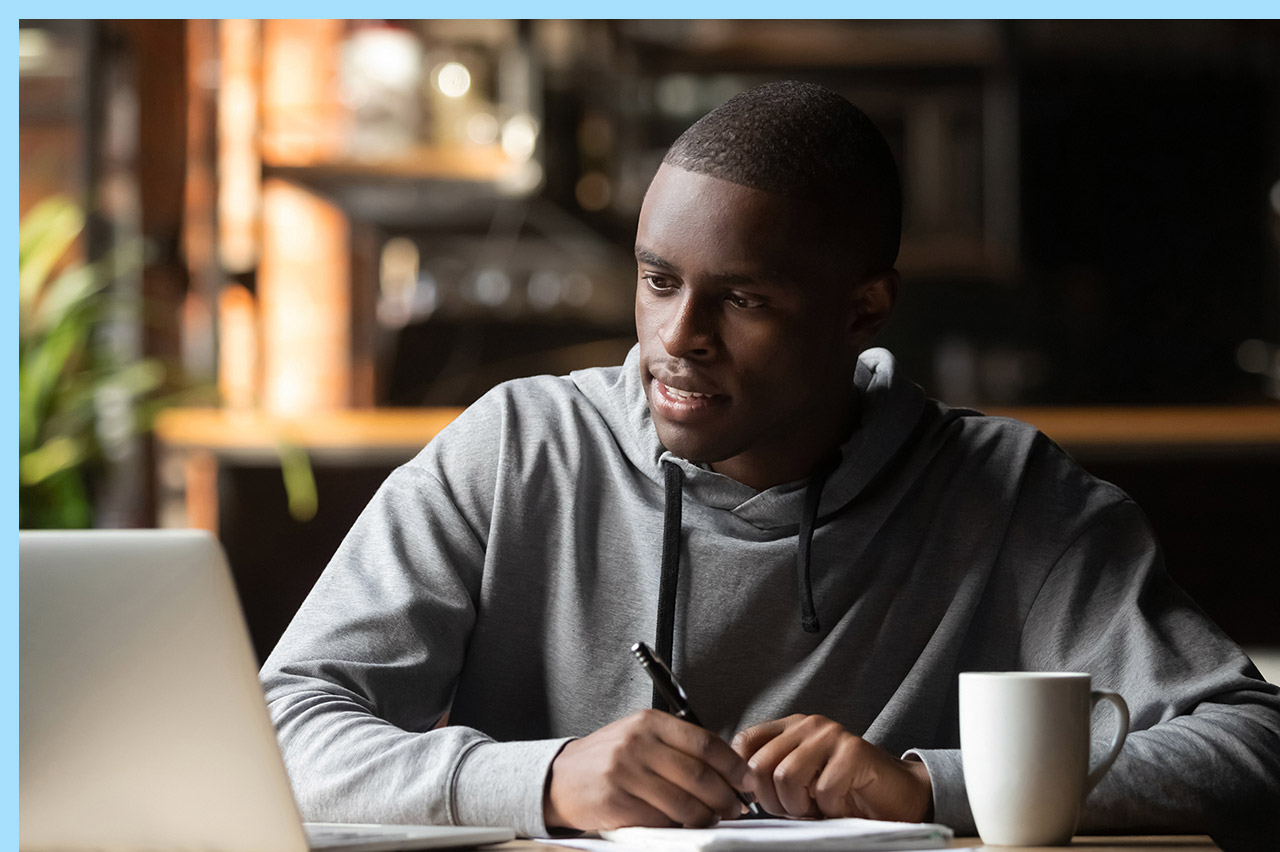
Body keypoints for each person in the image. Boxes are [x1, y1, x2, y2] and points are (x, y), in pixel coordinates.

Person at [260, 81, 1280, 846]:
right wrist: (546, 778)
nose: (677, 337)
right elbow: (275, 736)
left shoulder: (1010, 498)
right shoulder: (513, 449)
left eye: (741, 301)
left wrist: (930, 788)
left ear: (862, 310)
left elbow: (1252, 751)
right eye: (657, 281)